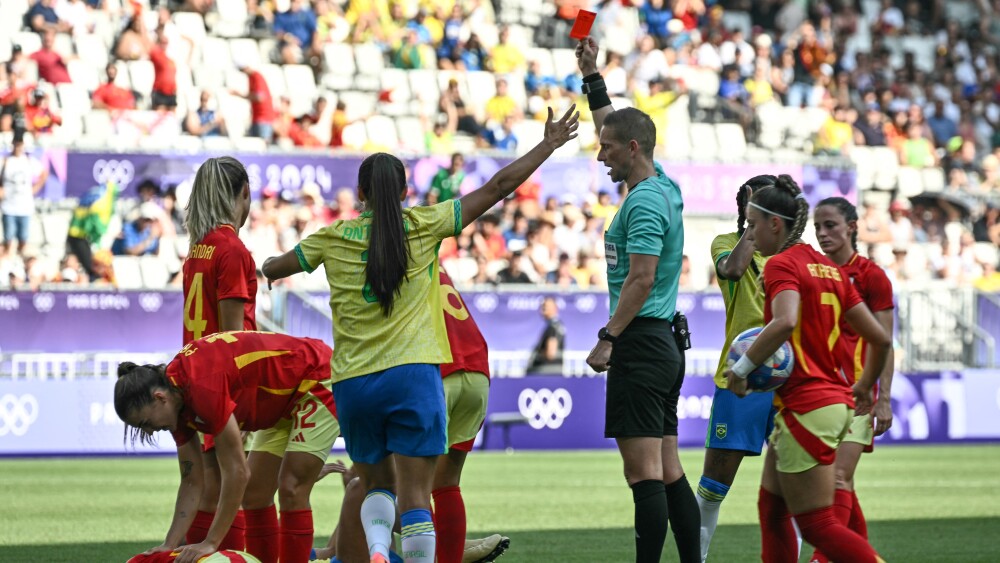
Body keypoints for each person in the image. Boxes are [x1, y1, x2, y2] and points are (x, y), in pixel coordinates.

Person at [261, 106, 579, 563]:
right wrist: (547, 145)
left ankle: (375, 549)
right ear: (406, 190)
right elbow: (497, 187)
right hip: (412, 378)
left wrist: (269, 267)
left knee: (373, 484)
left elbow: (281, 266)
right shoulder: (424, 226)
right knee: (416, 497)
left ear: (361, 192)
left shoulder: (330, 238)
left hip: (353, 383)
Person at [577, 36, 701, 563]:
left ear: (631, 151)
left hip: (643, 342)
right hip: (663, 343)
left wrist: (609, 338)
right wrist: (592, 78)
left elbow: (642, 279)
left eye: (606, 148)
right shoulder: (662, 184)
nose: (599, 154)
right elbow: (619, 122)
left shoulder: (645, 203)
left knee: (642, 473)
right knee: (669, 467)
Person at [723, 177, 890, 562]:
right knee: (773, 507)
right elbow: (880, 339)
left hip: (808, 405)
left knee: (819, 526)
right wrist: (865, 386)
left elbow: (783, 321)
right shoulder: (829, 269)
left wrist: (743, 369)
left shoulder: (782, 264)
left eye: (753, 224)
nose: (749, 233)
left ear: (775, 225)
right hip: (831, 402)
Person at [114, 331, 339, 563]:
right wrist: (169, 544)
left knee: (292, 486)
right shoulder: (175, 400)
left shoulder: (201, 387)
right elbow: (191, 480)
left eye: (146, 423)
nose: (150, 431)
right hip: (283, 400)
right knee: (255, 494)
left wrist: (211, 542)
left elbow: (238, 472)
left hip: (315, 377)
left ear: (160, 398)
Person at [695, 175, 784, 563]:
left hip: (791, 383)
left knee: (797, 488)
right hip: (740, 378)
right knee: (714, 487)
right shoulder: (727, 244)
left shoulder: (795, 254)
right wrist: (752, 226)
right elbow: (731, 272)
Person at [810, 197, 895, 563]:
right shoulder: (815, 272)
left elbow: (886, 342)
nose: (823, 233)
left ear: (852, 227)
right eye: (817, 227)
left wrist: (883, 397)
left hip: (857, 394)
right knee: (839, 483)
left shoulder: (872, 276)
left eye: (830, 225)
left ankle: (820, 559)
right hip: (819, 394)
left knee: (838, 479)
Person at [180, 156, 257, 554]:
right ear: (244, 192)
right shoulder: (232, 250)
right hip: (223, 383)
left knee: (211, 491)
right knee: (235, 487)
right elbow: (233, 338)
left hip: (196, 377)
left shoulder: (198, 250)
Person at [1, 135, 47, 258]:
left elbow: (44, 173)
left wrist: (35, 188)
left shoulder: (28, 160)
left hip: (24, 207)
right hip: (9, 206)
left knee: (23, 239)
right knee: (8, 239)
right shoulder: (6, 161)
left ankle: (20, 261)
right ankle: (8, 260)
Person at [527, 296, 565, 375]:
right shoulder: (558, 325)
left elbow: (551, 353)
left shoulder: (553, 326)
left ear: (555, 308)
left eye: (545, 307)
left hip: (546, 372)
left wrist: (537, 354)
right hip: (553, 371)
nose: (542, 310)